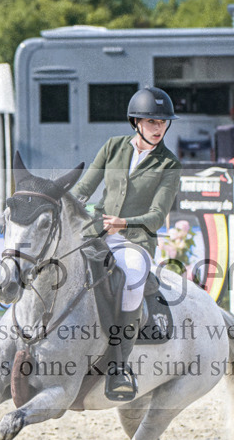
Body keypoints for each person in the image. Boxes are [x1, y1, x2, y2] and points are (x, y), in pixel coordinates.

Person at [71, 86, 182, 401]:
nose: (157, 128)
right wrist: (66, 207)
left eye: (162, 123)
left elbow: (157, 215)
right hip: (98, 232)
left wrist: (124, 223)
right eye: (151, 122)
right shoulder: (113, 148)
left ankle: (119, 365)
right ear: (136, 122)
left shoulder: (168, 165)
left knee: (132, 277)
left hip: (135, 242)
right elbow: (84, 188)